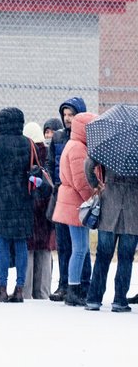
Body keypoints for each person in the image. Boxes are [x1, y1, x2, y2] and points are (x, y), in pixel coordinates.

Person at [0, 107, 34, 303]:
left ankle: (2, 289)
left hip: (1, 200)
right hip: (23, 201)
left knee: (3, 242)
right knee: (21, 243)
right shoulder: (27, 144)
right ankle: (20, 289)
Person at [53, 109, 98, 306]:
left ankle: (74, 287)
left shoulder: (73, 144)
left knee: (79, 248)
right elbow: (81, 181)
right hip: (76, 204)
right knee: (79, 248)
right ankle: (73, 290)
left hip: (70, 201)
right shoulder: (79, 149)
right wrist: (93, 198)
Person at [85, 155, 137, 312]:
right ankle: (120, 300)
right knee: (126, 257)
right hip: (133, 208)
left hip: (109, 205)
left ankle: (94, 298)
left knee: (103, 255)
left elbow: (88, 165)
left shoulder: (110, 147)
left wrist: (96, 184)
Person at [24, 122, 56, 300]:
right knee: (44, 251)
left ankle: (27, 291)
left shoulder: (27, 154)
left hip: (30, 209)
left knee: (28, 250)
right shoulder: (48, 154)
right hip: (46, 210)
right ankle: (43, 292)